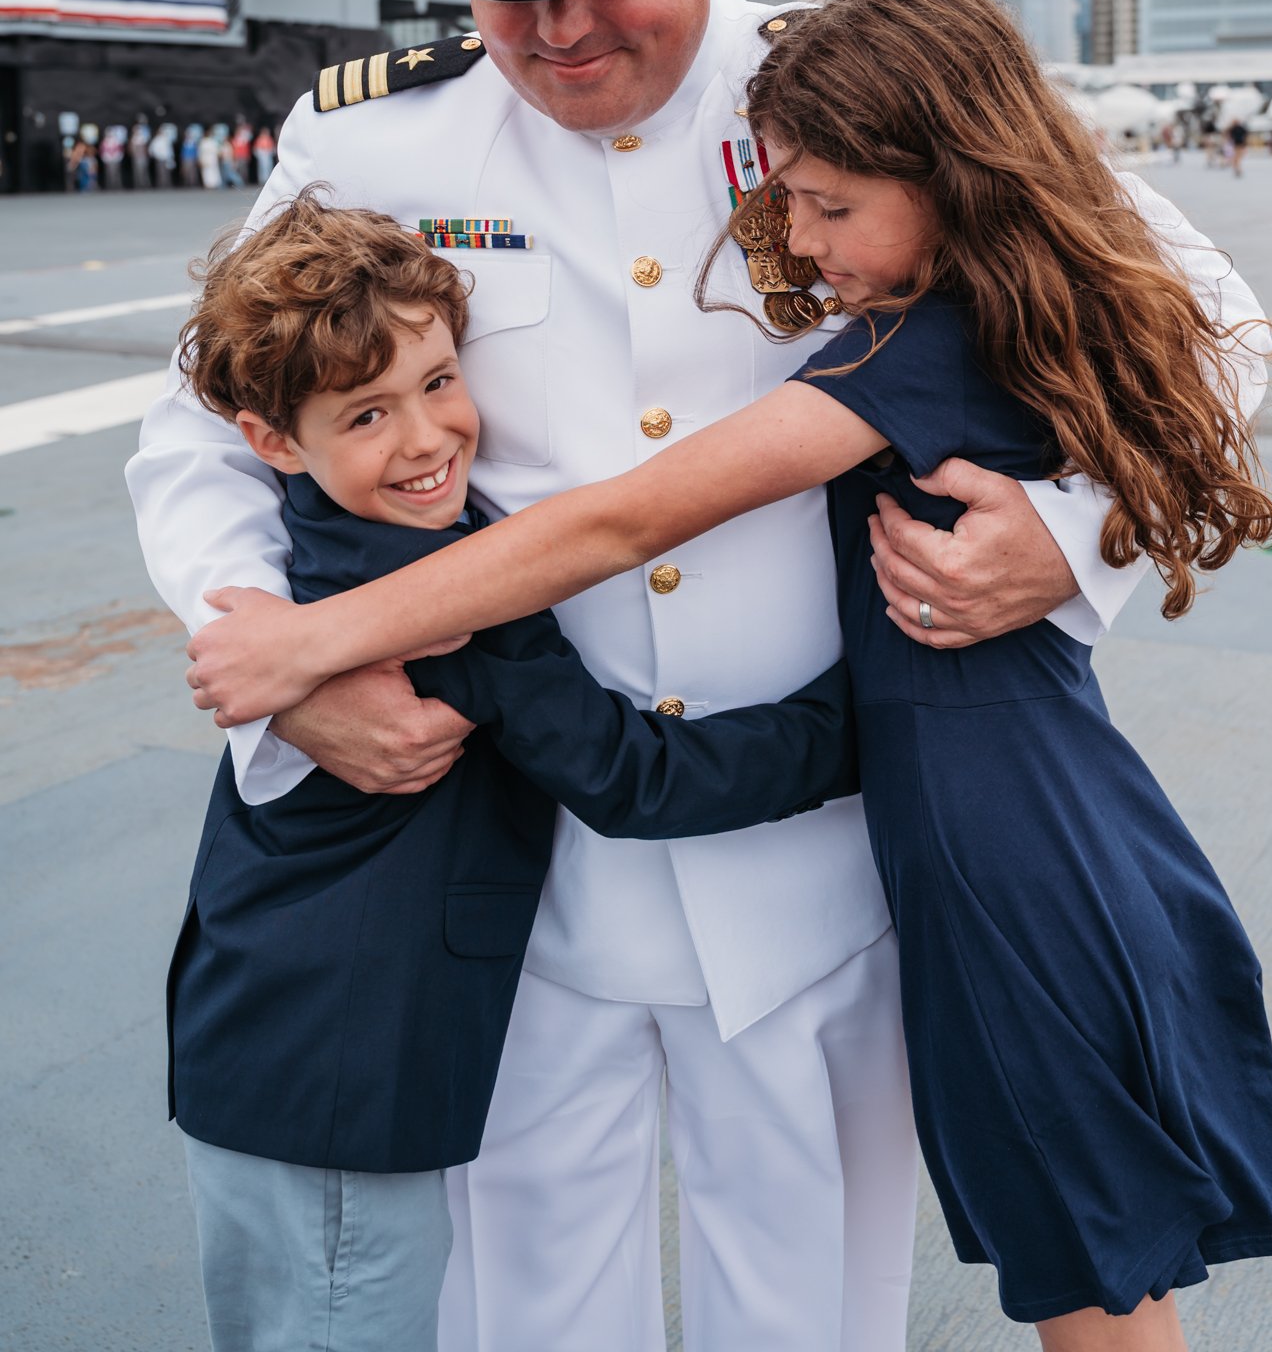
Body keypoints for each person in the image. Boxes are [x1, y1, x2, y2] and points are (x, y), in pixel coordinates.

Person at [130, 0, 1268, 1352]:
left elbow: (1205, 323)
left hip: (819, 857)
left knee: (811, 1317)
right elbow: (199, 420)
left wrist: (1066, 538)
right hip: (510, 871)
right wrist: (279, 660)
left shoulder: (857, 87)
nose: (559, 29)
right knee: (526, 1318)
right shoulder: (379, 144)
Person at [166, 191, 856, 1352]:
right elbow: (638, 780)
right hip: (339, 1075)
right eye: (367, 414)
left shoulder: (326, 540)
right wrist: (866, 723)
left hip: (277, 1035)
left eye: (439, 383)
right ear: (272, 441)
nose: (426, 438)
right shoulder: (443, 603)